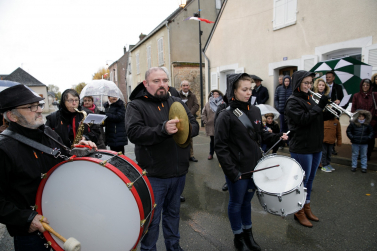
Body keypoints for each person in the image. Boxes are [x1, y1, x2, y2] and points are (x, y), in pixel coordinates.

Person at [0, 84, 95, 251]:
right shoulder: (4, 149)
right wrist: (26, 219)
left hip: (62, 219)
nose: (38, 110)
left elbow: (63, 163)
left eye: (39, 105)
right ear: (12, 116)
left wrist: (78, 150)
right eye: (30, 107)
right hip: (32, 233)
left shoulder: (48, 133)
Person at [125, 67, 199, 251]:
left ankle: (174, 247)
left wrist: (186, 130)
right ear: (146, 84)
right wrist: (162, 129)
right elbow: (134, 133)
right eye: (156, 81)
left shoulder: (176, 101)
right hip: (154, 175)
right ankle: (148, 249)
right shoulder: (136, 105)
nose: (162, 85)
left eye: (165, 80)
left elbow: (195, 124)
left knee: (173, 215)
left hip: (179, 172)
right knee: (152, 220)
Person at [215, 73, 287, 251]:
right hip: (237, 170)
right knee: (236, 202)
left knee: (247, 203)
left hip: (255, 168)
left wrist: (278, 136)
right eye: (244, 89)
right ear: (234, 90)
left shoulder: (255, 110)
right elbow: (221, 147)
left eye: (251, 89)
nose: (249, 93)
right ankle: (238, 236)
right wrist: (232, 173)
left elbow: (260, 135)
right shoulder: (225, 115)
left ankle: (248, 233)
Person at [285, 70, 330, 228]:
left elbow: (315, 118)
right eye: (306, 83)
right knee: (301, 181)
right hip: (302, 146)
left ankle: (307, 207)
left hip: (315, 145)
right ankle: (298, 211)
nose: (309, 86)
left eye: (311, 83)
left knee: (310, 180)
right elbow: (303, 120)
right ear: (298, 83)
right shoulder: (292, 101)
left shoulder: (310, 98)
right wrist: (320, 107)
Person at [351, 79, 377, 161]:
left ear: (370, 86)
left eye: (367, 85)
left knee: (370, 139)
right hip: (359, 121)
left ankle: (367, 155)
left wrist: (374, 117)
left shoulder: (374, 95)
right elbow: (353, 108)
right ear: (361, 86)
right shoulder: (356, 95)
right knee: (359, 138)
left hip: (371, 121)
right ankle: (360, 154)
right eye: (364, 85)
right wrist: (355, 118)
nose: (365, 87)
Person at [179, 80, 199, 162]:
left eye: (187, 85)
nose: (185, 87)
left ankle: (191, 155)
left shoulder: (192, 95)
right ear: (181, 87)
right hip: (180, 119)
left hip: (190, 119)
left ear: (189, 86)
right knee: (180, 137)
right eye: (184, 85)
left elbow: (196, 105)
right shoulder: (177, 95)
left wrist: (189, 113)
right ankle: (181, 156)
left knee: (189, 137)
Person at [201, 89, 224, 160]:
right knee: (212, 141)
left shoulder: (223, 103)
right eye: (214, 94)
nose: (216, 95)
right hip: (211, 125)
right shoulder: (208, 104)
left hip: (220, 125)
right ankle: (211, 153)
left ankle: (220, 155)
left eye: (217, 94)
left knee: (221, 141)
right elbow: (203, 113)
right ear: (212, 95)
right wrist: (205, 121)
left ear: (219, 95)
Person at [274, 75, 292, 144]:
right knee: (282, 127)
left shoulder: (292, 89)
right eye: (285, 81)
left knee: (289, 128)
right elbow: (276, 99)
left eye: (288, 81)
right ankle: (281, 143)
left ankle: (288, 142)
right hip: (281, 111)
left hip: (289, 112)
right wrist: (278, 107)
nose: (286, 82)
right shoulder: (279, 89)